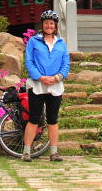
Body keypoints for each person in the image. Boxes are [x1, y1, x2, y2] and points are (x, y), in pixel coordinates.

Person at [22, 9, 70, 162]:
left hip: (55, 86)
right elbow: (29, 62)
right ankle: (26, 152)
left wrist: (57, 77)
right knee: (34, 118)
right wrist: (40, 77)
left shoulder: (61, 43)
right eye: (46, 23)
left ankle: (54, 152)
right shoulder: (33, 41)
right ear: (42, 25)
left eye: (52, 23)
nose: (49, 26)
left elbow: (66, 63)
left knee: (52, 119)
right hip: (38, 85)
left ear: (55, 26)